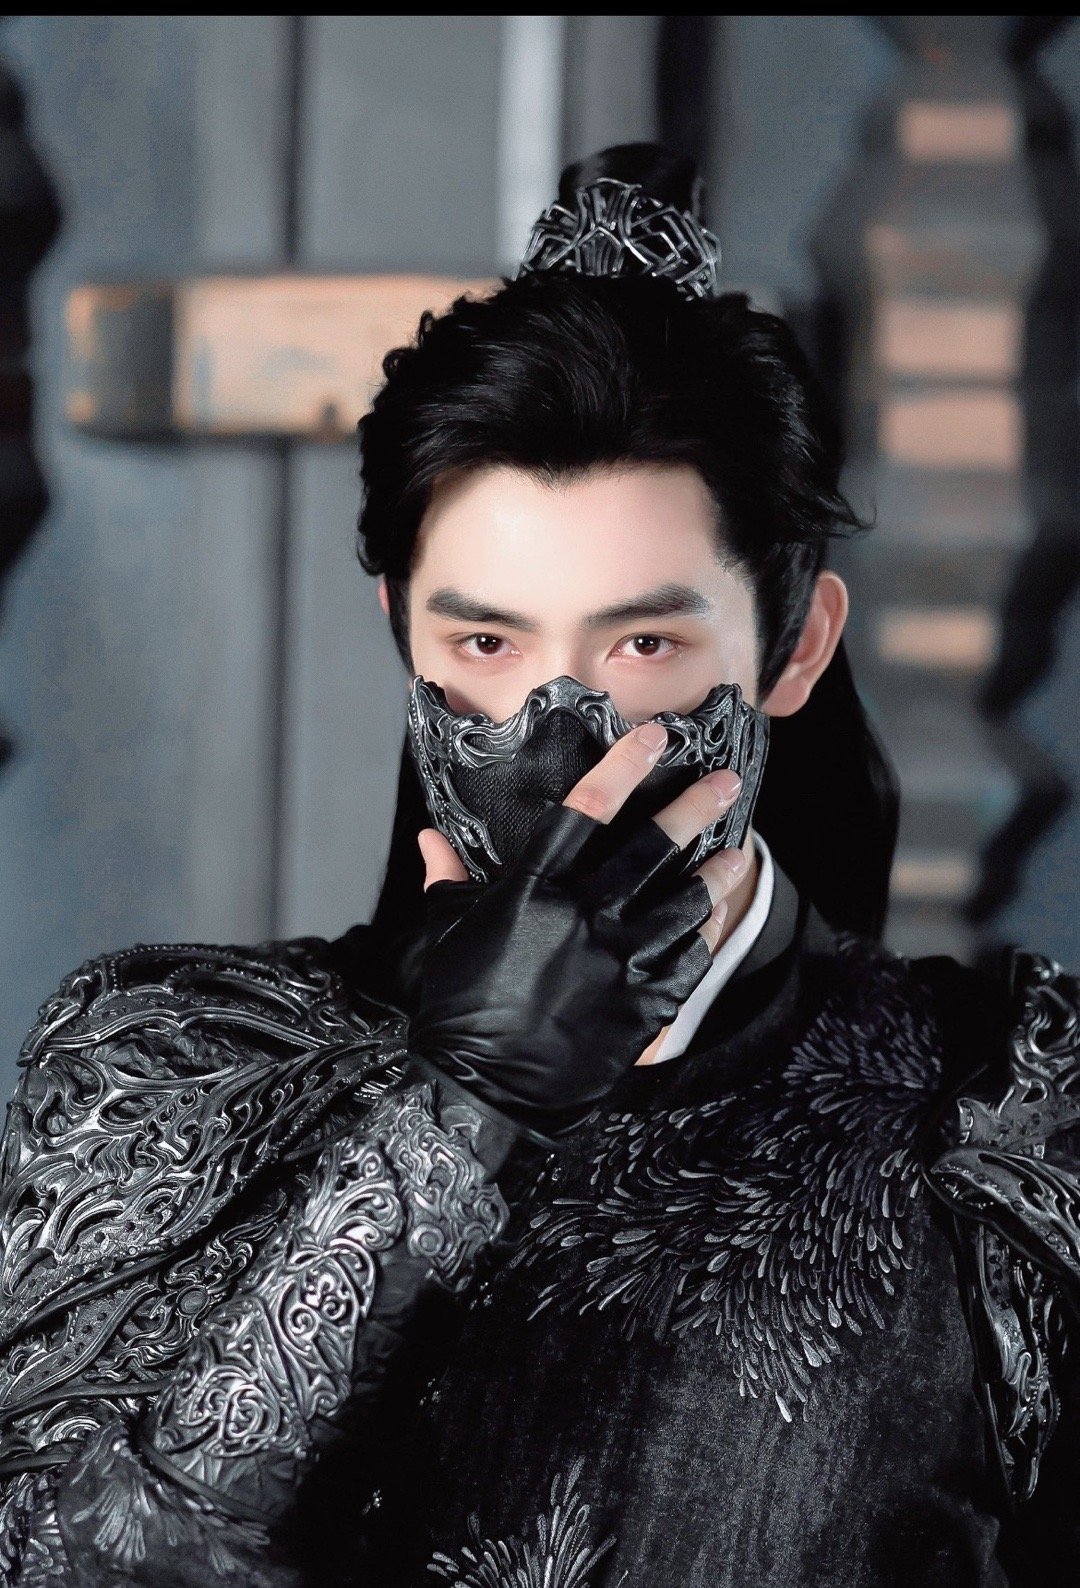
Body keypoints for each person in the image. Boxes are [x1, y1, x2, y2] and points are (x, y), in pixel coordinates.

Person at [0, 144, 1077, 1588]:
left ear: (796, 647)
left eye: (644, 645)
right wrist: (462, 1114)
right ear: (405, 636)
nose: (565, 745)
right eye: (488, 644)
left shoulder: (1009, 1113)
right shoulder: (173, 1060)